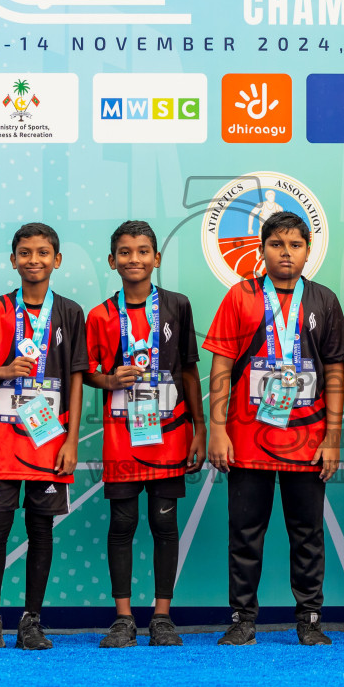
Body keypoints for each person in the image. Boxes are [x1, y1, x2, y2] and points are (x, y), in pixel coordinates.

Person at [205, 211, 344, 646]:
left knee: (307, 533)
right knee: (245, 532)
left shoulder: (323, 301)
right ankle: (242, 618)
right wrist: (217, 428)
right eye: (276, 244)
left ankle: (309, 618)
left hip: (307, 443)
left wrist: (332, 438)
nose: (286, 253)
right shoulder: (239, 297)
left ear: (308, 251)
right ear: (262, 249)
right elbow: (221, 366)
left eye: (295, 245)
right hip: (247, 439)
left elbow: (335, 374)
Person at [0, 223, 88, 651]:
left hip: (50, 442)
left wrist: (71, 441)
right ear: (13, 259)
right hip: (3, 442)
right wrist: (5, 371)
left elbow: (76, 378)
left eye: (43, 252)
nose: (34, 260)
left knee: (41, 530)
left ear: (57, 259)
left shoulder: (70, 312)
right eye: (25, 253)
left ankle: (31, 622)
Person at [85, 220, 203, 648]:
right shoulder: (99, 315)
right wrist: (109, 380)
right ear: (112, 260)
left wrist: (199, 427)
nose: (134, 258)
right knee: (123, 522)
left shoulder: (177, 306)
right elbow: (88, 376)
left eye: (142, 251)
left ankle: (162, 616)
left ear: (157, 257)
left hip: (170, 434)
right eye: (125, 252)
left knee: (162, 523)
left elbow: (189, 370)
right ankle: (122, 618)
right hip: (122, 437)